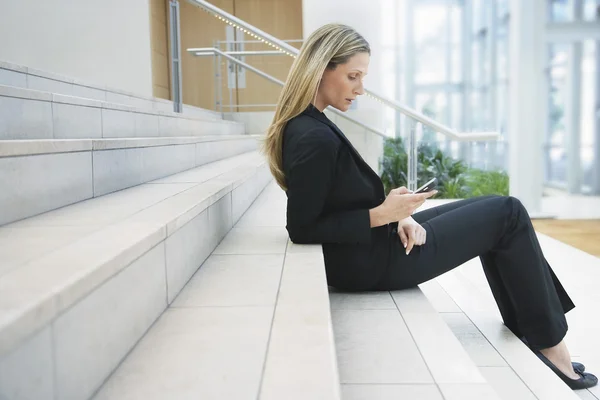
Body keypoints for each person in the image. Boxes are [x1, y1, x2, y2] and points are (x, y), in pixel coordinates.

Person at [261, 23, 597, 390]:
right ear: (321, 67)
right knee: (509, 213)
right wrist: (382, 216)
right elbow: (303, 227)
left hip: (372, 246)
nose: (360, 88)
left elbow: (335, 200)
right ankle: (551, 348)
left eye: (362, 76)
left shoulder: (311, 124)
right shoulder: (312, 136)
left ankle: (534, 332)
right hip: (370, 262)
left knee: (497, 208)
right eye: (352, 76)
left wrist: (396, 213)